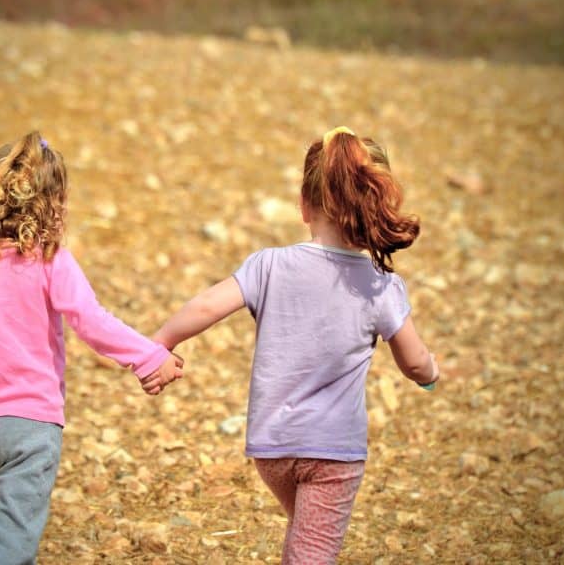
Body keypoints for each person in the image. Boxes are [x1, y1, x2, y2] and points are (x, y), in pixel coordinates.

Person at [142, 127, 439, 564]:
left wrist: (161, 342)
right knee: (311, 554)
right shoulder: (380, 285)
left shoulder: (270, 265)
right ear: (376, 204)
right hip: (333, 452)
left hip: (273, 448)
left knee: (306, 543)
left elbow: (207, 305)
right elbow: (413, 363)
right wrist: (431, 373)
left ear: (304, 205)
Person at [0, 131, 183, 564]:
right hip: (30, 427)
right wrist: (148, 358)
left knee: (14, 530)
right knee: (9, 543)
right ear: (53, 205)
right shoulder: (49, 259)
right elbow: (91, 320)